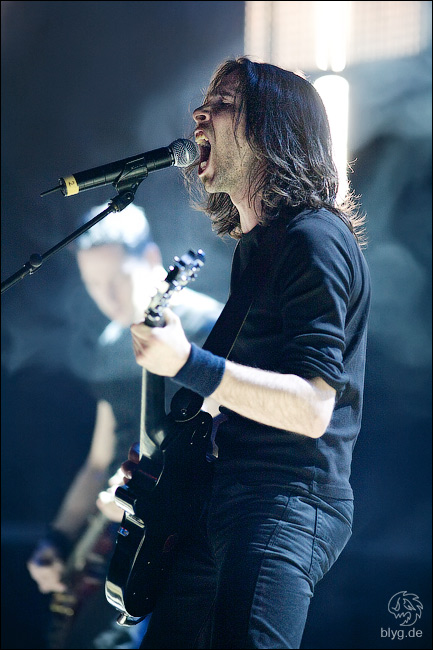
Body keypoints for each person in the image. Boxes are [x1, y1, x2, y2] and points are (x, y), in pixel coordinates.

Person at [122, 56, 371, 649]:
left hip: (285, 501)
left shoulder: (315, 238)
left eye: (223, 103)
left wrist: (188, 363)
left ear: (270, 128)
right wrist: (165, 464)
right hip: (226, 495)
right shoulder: (258, 248)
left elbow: (312, 408)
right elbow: (241, 391)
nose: (198, 114)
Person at [26, 203, 223, 649]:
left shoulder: (209, 328)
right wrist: (56, 540)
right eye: (94, 284)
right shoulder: (110, 345)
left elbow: (216, 449)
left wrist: (144, 494)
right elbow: (98, 462)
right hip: (115, 541)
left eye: (117, 279)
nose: (107, 298)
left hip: (179, 545)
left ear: (152, 258)